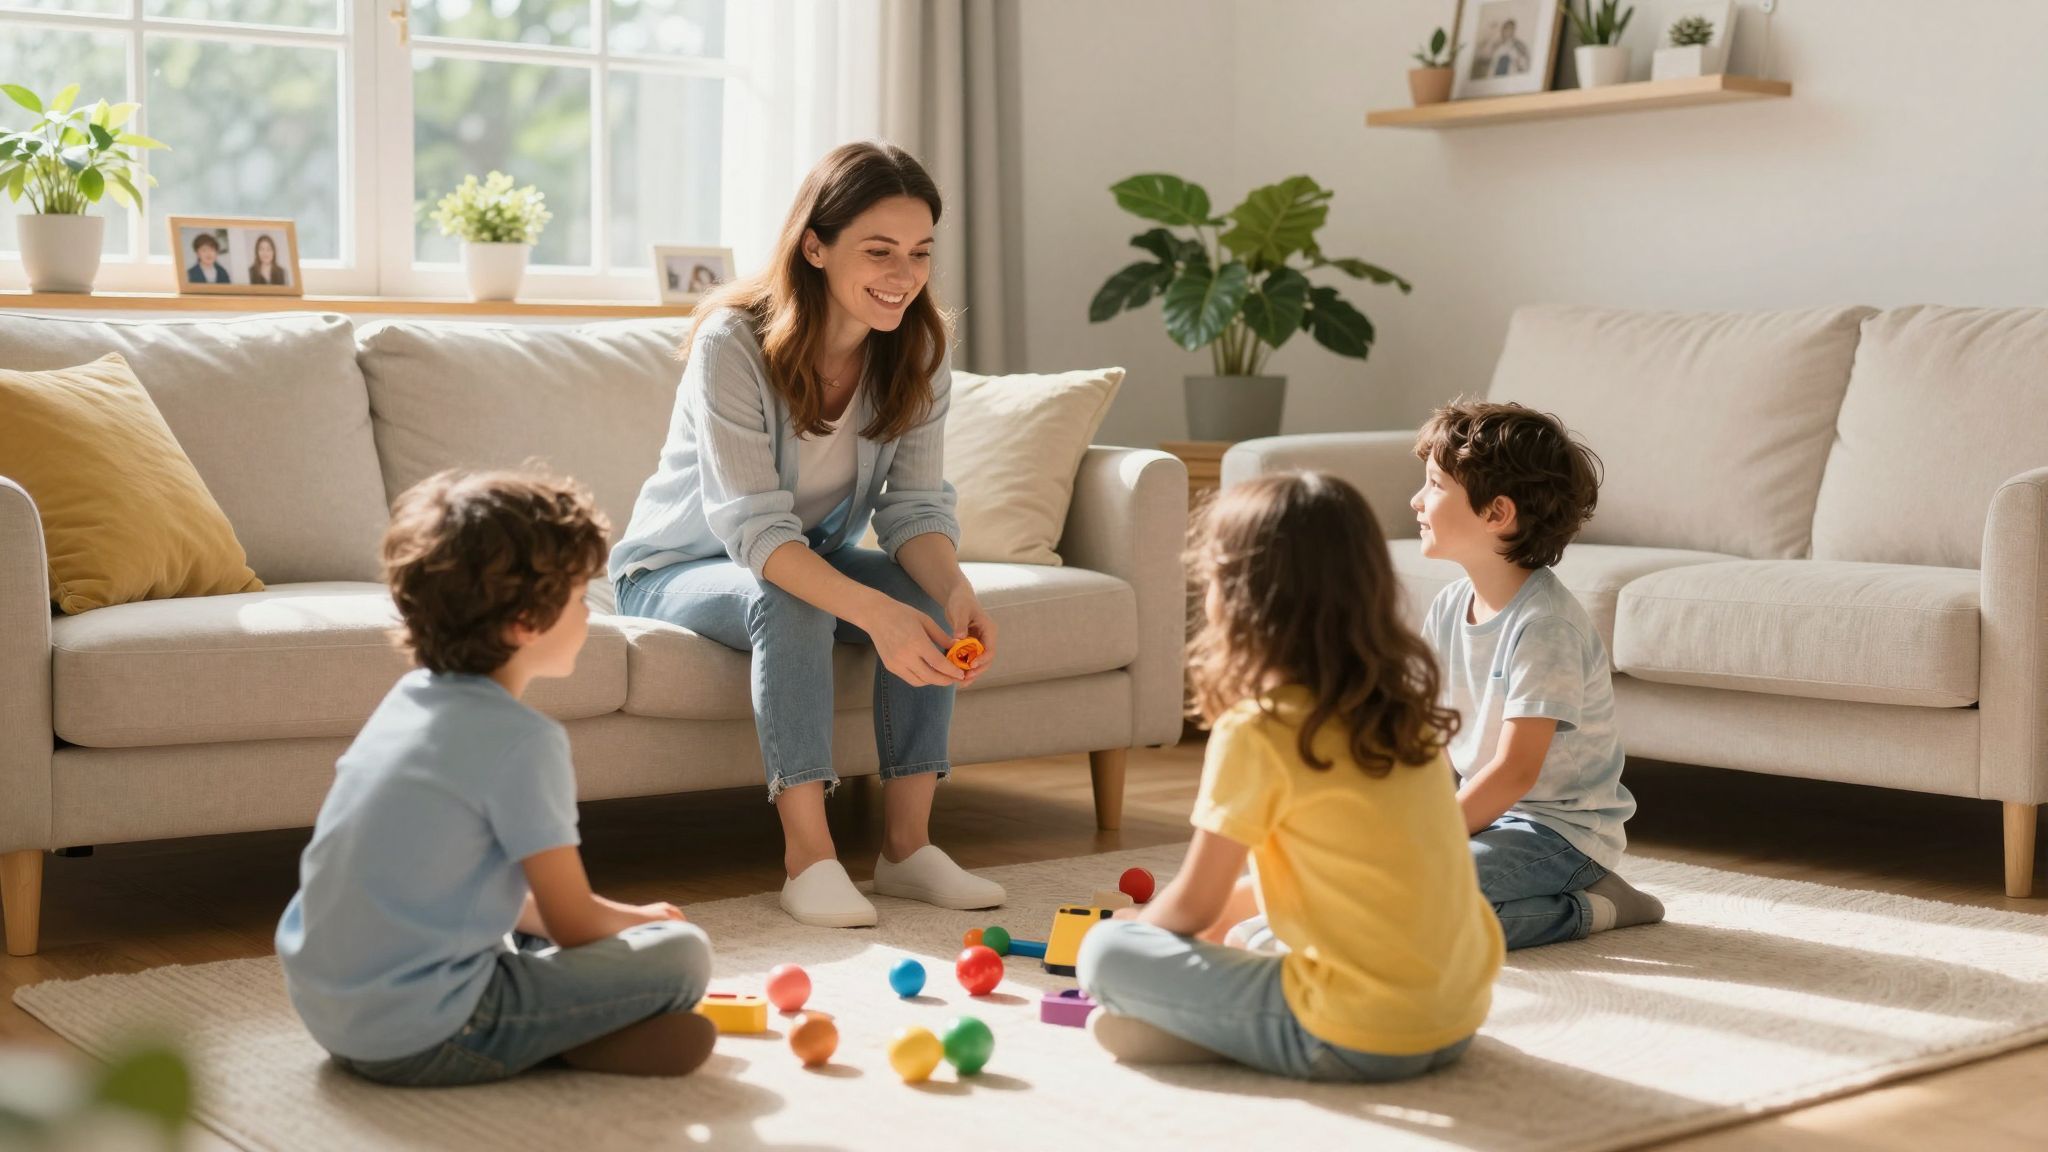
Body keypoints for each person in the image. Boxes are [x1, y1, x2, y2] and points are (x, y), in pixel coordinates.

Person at [611, 141, 1003, 928]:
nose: (903, 275)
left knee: (921, 591)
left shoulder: (920, 350)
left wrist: (953, 589)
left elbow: (915, 509)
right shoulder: (733, 344)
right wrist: (870, 611)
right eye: (880, 251)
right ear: (815, 246)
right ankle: (809, 860)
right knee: (795, 604)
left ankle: (906, 850)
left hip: (803, 555)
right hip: (679, 565)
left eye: (921, 253)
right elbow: (756, 533)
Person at [277, 470, 717, 1086]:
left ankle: (565, 1027)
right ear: (525, 621)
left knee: (518, 925)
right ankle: (552, 1039)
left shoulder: (408, 700)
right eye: (578, 596)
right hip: (427, 1031)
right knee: (683, 955)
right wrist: (648, 920)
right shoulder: (524, 741)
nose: (588, 614)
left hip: (331, 1011)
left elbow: (462, 890)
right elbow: (574, 922)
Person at [1075, 473, 1503, 1081]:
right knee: (1256, 930)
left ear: (1237, 597)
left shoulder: (1258, 730)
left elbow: (1195, 906)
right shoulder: (1405, 716)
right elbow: (1323, 885)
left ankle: (1211, 1032)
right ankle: (1208, 1025)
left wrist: (1139, 929)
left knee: (1107, 954)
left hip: (1357, 1036)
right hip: (1456, 1016)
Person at [1410, 400, 1664, 950]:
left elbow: (1514, 772)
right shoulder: (1448, 607)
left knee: (1412, 908)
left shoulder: (1546, 626)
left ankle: (1595, 907)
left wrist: (1428, 842)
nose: (1415, 500)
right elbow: (1428, 740)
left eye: (1433, 485)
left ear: (1497, 514)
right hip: (1489, 817)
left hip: (1560, 832)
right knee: (1373, 882)